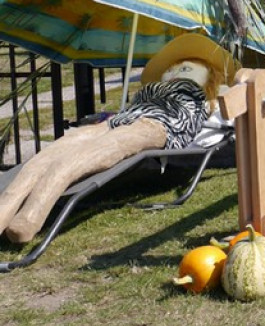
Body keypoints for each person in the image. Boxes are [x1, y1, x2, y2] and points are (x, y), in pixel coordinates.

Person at [0, 33, 237, 243]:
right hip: (118, 119)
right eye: (172, 69)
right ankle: (4, 209)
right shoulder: (153, 89)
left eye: (185, 70)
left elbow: (233, 100)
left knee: (81, 158)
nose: (174, 73)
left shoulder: (207, 99)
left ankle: (30, 218)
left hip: (157, 125)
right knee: (54, 151)